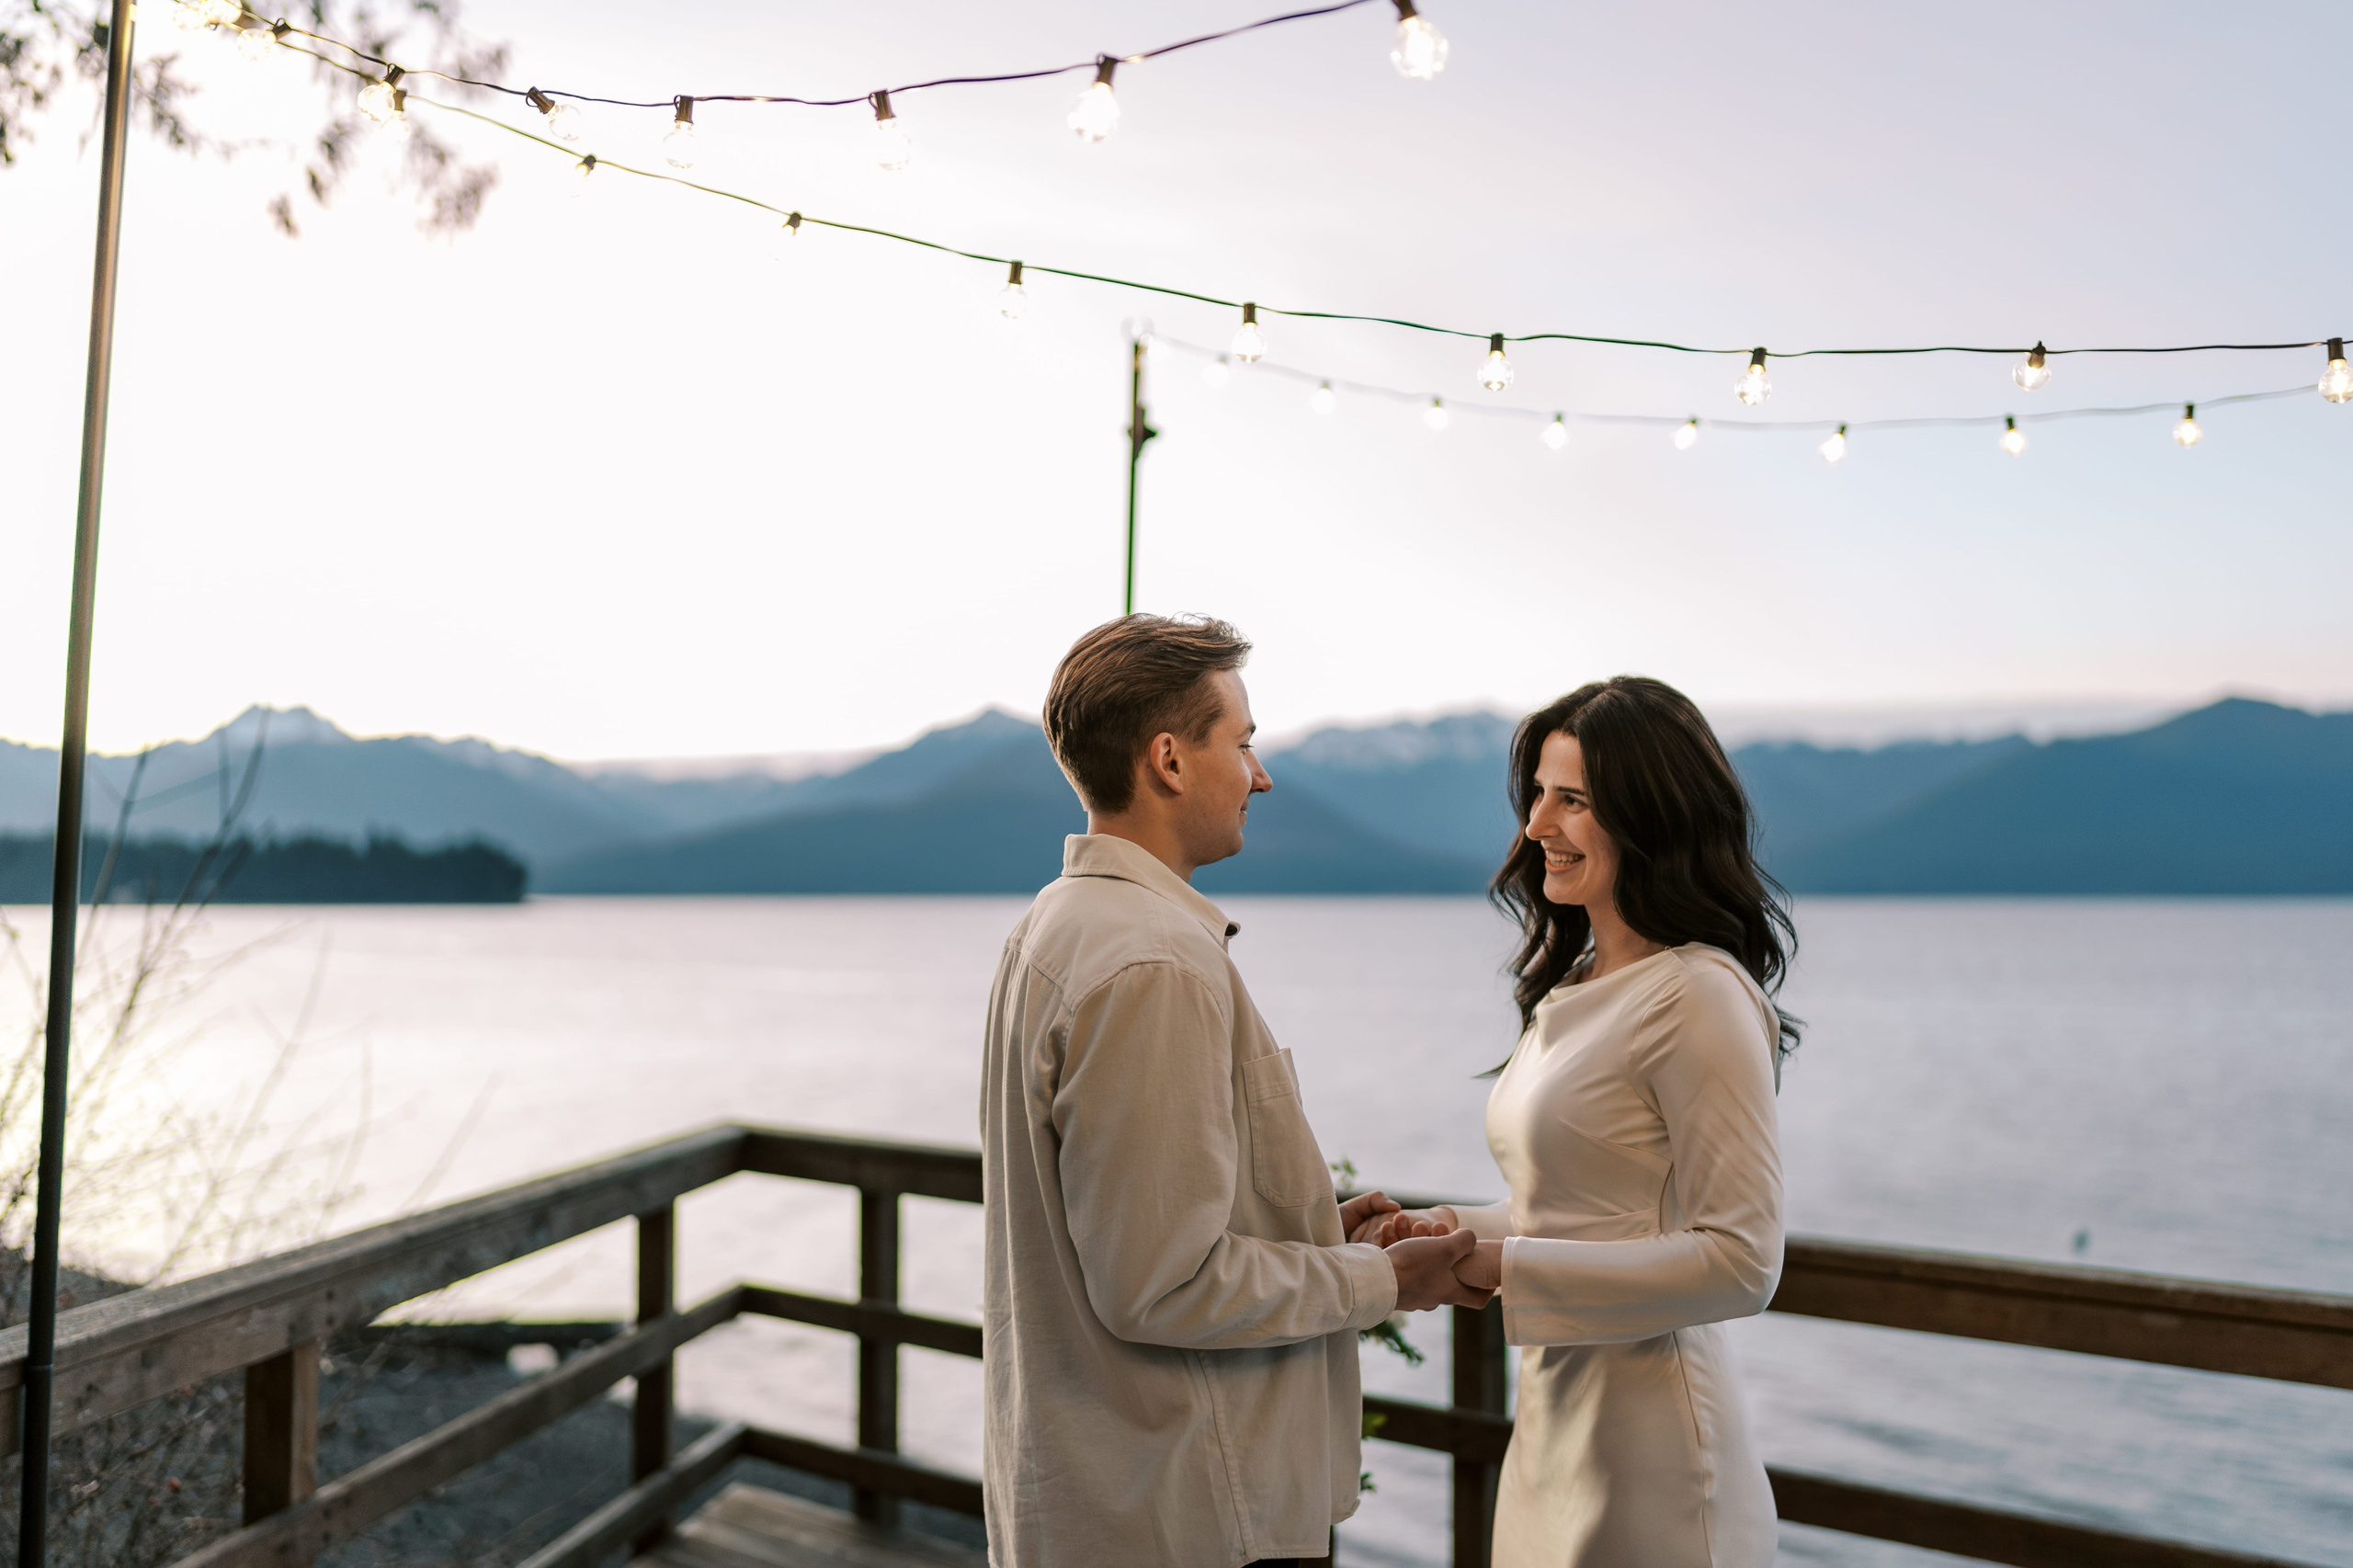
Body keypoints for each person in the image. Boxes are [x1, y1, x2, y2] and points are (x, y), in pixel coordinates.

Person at [980, 613, 1490, 1568]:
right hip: (1190, 1515)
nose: (1259, 774)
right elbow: (1161, 1284)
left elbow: (1130, 1229)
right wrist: (1385, 1277)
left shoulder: (1055, 926)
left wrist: (1310, 1231)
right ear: (1169, 758)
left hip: (1115, 1494)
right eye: (1244, 742)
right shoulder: (1153, 959)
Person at [1370, 676, 1797, 1568]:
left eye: (1573, 799)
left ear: (1651, 816)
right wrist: (1454, 1230)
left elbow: (1742, 1259)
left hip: (1653, 1451)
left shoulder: (1700, 994)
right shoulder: (1574, 989)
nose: (1536, 827)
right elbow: (1571, 1202)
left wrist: (1501, 1263)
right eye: (1537, 794)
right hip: (1552, 1425)